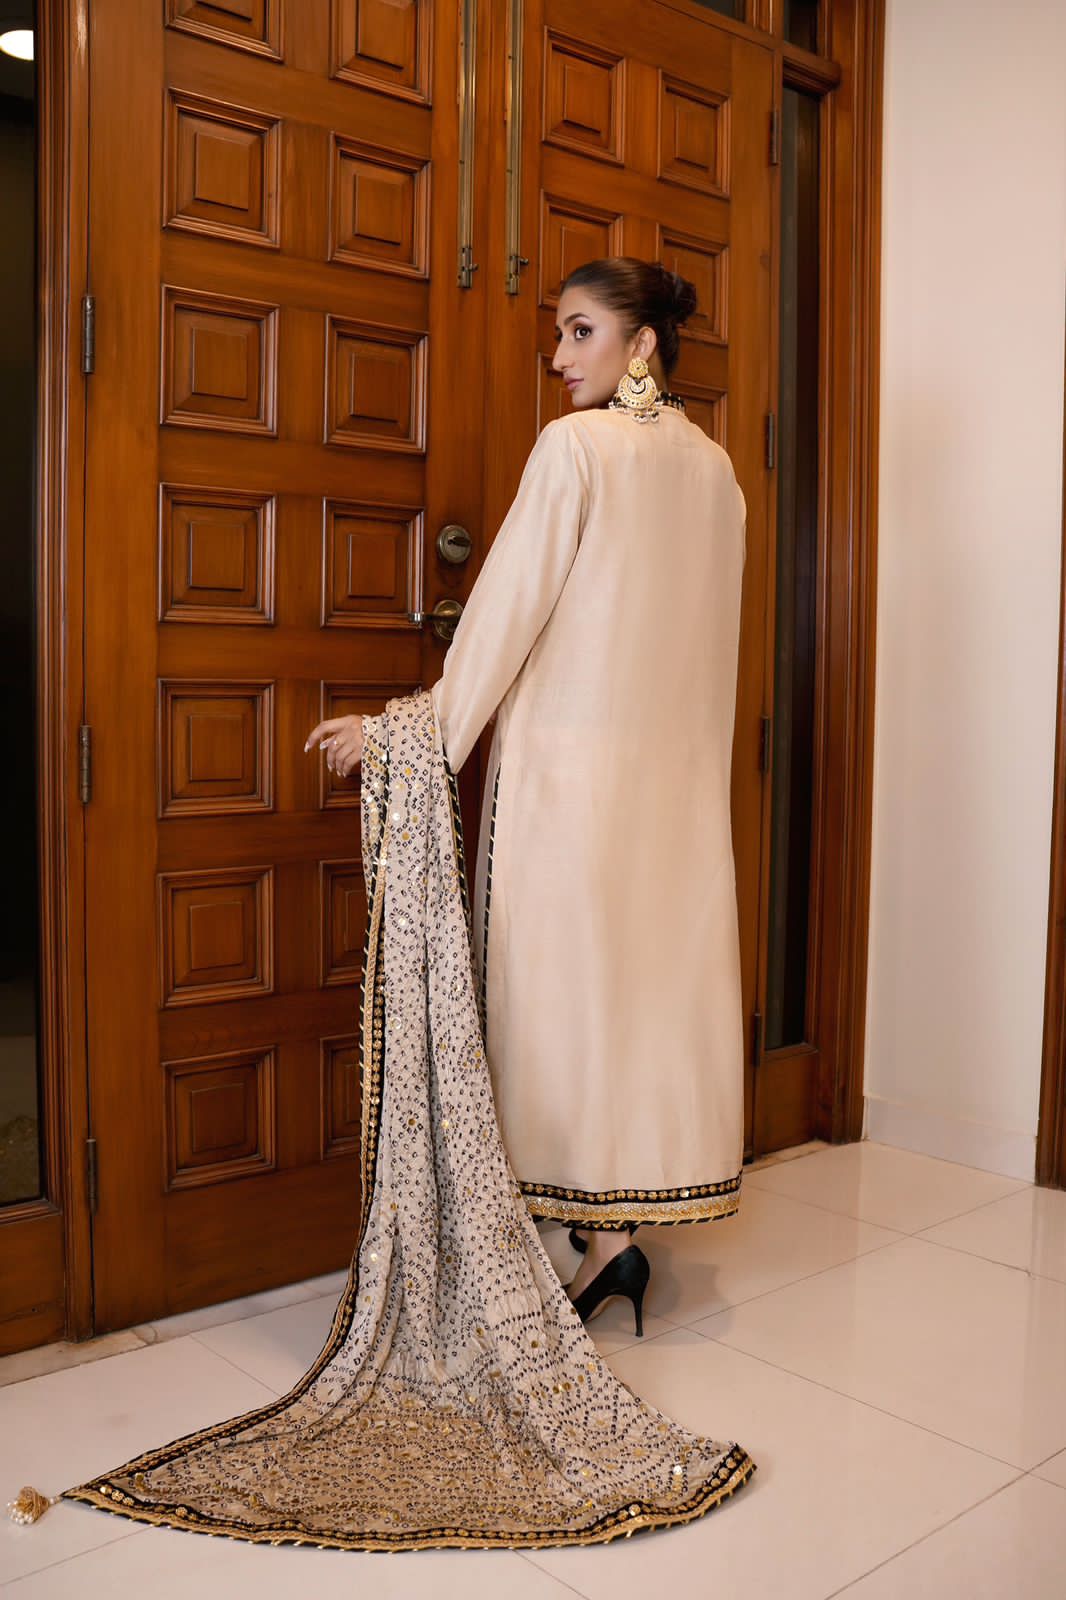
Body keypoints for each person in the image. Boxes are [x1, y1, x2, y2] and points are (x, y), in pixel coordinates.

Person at [306, 257, 748, 1336]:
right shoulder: (717, 473)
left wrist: (404, 733)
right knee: (638, 1002)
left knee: (563, 1007)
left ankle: (594, 1243)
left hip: (569, 790)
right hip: (678, 793)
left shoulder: (574, 450)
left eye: (580, 331)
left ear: (643, 344)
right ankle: (615, 1238)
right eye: (559, 334)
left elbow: (501, 616)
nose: (559, 356)